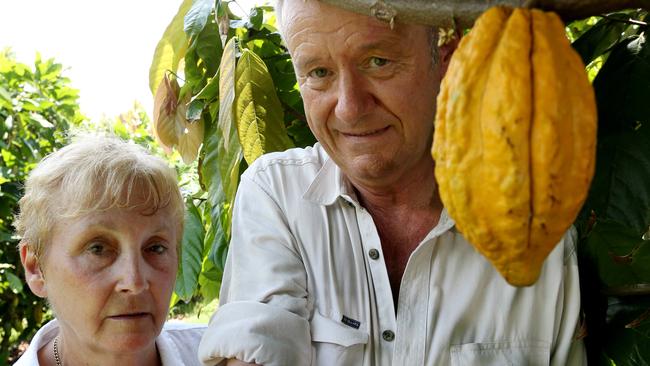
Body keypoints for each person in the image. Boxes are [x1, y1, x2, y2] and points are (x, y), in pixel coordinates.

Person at [198, 0, 586, 365]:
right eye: (319, 72)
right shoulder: (277, 195)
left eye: (377, 61)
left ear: (448, 60)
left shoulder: (537, 228)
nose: (349, 108)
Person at [14, 134, 205, 366]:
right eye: (98, 249)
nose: (134, 282)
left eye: (155, 247)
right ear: (36, 268)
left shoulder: (219, 356)